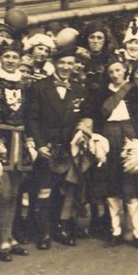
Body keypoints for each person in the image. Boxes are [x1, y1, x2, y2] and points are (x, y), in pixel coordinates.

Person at [24, 46, 89, 249]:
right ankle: (43, 233)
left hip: (69, 149)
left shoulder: (80, 89)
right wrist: (40, 145)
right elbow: (32, 119)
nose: (66, 67)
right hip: (48, 148)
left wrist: (82, 134)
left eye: (70, 63)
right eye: (62, 63)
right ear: (54, 64)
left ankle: (59, 228)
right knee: (44, 189)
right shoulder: (39, 87)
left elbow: (84, 117)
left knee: (64, 190)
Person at [80, 59, 138, 250]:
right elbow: (95, 117)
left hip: (130, 136)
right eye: (111, 71)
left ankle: (137, 232)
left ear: (125, 71)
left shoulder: (135, 91)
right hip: (108, 137)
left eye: (118, 70)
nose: (115, 74)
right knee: (111, 183)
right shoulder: (101, 93)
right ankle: (115, 231)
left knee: (132, 183)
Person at [0, 42, 32, 261]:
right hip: (1, 140)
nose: (11, 60)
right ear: (0, 58)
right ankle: (2, 241)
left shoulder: (24, 84)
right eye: (7, 57)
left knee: (15, 191)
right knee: (3, 193)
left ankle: (10, 236)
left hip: (19, 140)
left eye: (15, 57)